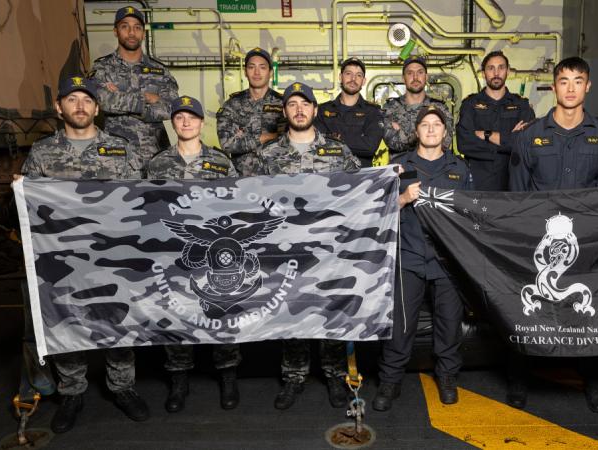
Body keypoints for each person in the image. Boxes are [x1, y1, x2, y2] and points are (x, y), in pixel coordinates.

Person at [21, 75, 146, 433]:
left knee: (118, 320)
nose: (80, 105)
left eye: (87, 100)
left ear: (97, 107)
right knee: (65, 321)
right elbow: (28, 204)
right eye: (72, 99)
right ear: (59, 107)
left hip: (113, 254)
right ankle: (72, 392)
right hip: (59, 256)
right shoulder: (43, 152)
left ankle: (123, 387)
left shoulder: (121, 149)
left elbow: (138, 199)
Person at [235, 82, 360, 409]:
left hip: (328, 251)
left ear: (315, 111)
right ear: (285, 111)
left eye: (305, 104)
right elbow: (245, 201)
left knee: (330, 313)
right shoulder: (267, 155)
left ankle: (334, 376)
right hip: (285, 253)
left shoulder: (337, 152)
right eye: (292, 104)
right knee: (292, 316)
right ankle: (293, 377)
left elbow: (361, 192)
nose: (299, 110)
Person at [508, 57, 598, 413]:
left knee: (589, 312)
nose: (570, 88)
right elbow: (517, 198)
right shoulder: (529, 137)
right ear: (553, 86)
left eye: (578, 81)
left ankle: (594, 381)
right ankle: (519, 378)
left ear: (587, 87)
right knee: (529, 313)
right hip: (538, 243)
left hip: (586, 243)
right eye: (564, 81)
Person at [373, 105, 473, 411]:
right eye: (425, 125)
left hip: (447, 259)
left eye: (437, 125)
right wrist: (403, 198)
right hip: (409, 256)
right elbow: (377, 211)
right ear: (416, 131)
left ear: (445, 132)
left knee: (449, 324)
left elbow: (471, 214)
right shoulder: (398, 166)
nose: (431, 129)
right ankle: (390, 382)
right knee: (401, 327)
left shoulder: (460, 169)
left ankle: (447, 378)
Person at [146, 96, 240, 413]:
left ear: (202, 122)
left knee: (221, 317)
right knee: (176, 317)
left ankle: (227, 376)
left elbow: (237, 205)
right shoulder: (157, 164)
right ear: (173, 122)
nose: (186, 122)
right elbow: (144, 210)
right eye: (179, 117)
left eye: (192, 117)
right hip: (172, 256)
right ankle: (179, 381)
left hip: (213, 256)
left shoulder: (222, 162)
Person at [89, 5, 179, 169]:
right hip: (116, 156)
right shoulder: (102, 67)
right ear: (116, 31)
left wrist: (120, 96)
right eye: (125, 27)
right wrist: (149, 99)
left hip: (157, 157)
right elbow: (102, 101)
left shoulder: (160, 71)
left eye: (137, 28)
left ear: (143, 33)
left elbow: (172, 108)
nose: (131, 33)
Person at [456, 50, 535, 191]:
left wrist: (487, 135)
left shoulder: (522, 105)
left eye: (501, 67)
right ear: (483, 73)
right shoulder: (470, 104)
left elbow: (526, 144)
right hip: (478, 184)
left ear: (508, 71)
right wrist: (508, 143)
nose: (496, 72)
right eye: (491, 68)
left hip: (513, 184)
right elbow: (464, 143)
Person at [216, 47, 286, 164]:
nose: (257, 72)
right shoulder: (232, 105)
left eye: (262, 67)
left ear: (270, 73)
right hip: (241, 178)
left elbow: (292, 138)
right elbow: (227, 144)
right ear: (245, 72)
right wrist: (267, 137)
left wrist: (243, 137)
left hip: (276, 176)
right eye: (251, 67)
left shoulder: (284, 103)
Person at [315, 57, 384, 167]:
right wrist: (357, 141)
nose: (353, 79)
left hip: (361, 178)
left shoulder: (373, 111)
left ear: (363, 81)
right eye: (348, 73)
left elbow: (370, 147)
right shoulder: (322, 110)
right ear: (340, 77)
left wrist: (335, 138)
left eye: (359, 75)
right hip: (329, 176)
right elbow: (318, 146)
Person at [382, 56, 453, 154]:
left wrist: (402, 134)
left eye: (420, 72)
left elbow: (445, 143)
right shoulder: (390, 108)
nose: (415, 77)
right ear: (403, 78)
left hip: (431, 167)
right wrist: (427, 136)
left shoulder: (440, 108)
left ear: (426, 77)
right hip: (401, 167)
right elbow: (393, 143)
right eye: (410, 73)